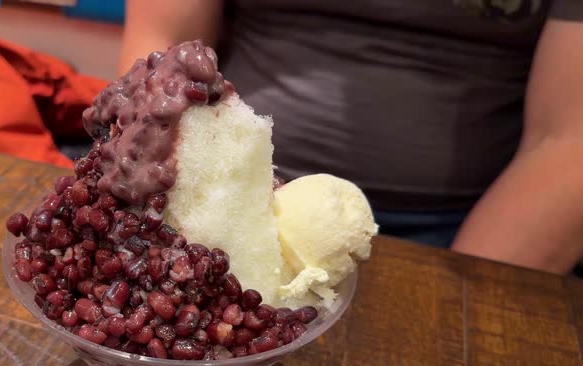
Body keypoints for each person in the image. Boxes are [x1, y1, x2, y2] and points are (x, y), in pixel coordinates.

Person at [117, 0, 583, 275]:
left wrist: (462, 298)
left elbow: (568, 142)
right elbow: (161, 50)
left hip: (458, 230)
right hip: (220, 195)